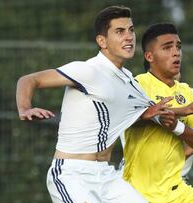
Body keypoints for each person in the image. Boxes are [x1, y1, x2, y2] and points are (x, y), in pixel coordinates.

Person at [16, 6, 175, 203]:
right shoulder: (88, 70)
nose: (129, 37)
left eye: (131, 30)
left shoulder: (130, 83)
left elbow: (151, 113)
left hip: (106, 176)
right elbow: (29, 79)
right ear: (102, 41)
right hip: (72, 174)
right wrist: (25, 108)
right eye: (120, 31)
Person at [122, 23, 193, 203]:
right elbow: (127, 119)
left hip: (177, 190)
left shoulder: (185, 91)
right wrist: (180, 112)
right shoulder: (138, 85)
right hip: (140, 193)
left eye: (178, 47)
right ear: (149, 56)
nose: (176, 53)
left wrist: (178, 127)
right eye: (167, 47)